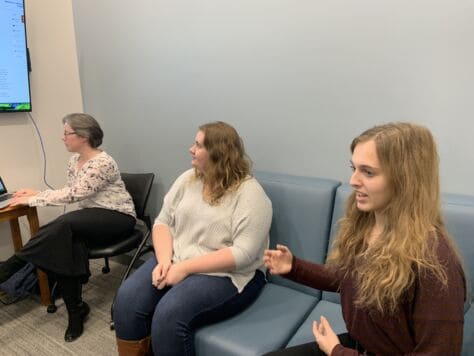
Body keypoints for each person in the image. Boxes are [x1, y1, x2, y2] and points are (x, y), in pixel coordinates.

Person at [264, 122, 466, 355]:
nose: (353, 181)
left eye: (368, 172)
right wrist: (294, 267)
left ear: (405, 180)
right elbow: (349, 279)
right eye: (354, 168)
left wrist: (337, 351)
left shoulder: (435, 264)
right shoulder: (366, 223)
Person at [113, 121, 272, 355]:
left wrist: (185, 268)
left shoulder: (250, 193)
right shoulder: (189, 179)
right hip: (177, 258)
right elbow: (162, 222)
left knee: (169, 314)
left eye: (197, 145)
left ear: (218, 153)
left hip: (231, 274)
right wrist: (165, 261)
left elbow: (243, 253)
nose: (191, 149)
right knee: (127, 299)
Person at [0, 113, 136, 342]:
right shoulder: (74, 161)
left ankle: (9, 268)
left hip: (117, 217)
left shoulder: (102, 162)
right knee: (66, 243)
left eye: (66, 133)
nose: (62, 138)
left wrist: (34, 198)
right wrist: (36, 193)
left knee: (63, 223)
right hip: (90, 219)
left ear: (83, 136)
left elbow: (74, 194)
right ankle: (76, 312)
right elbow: (71, 190)